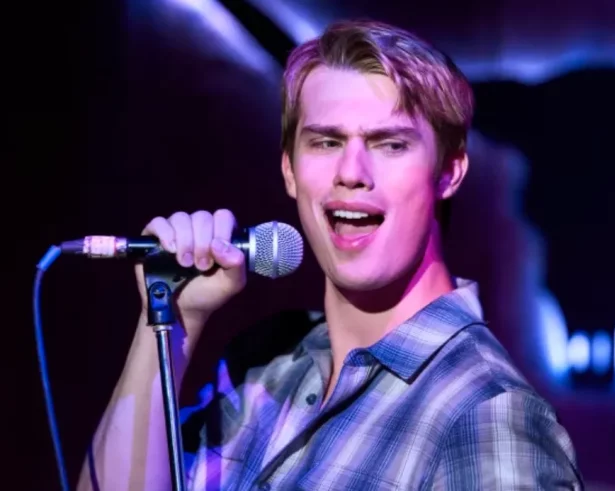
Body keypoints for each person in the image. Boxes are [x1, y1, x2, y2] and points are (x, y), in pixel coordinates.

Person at [78, 19, 583, 490]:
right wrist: (166, 324)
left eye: (390, 144)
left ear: (449, 173)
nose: (351, 171)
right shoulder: (262, 364)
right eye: (325, 142)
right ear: (290, 171)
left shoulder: (486, 415)